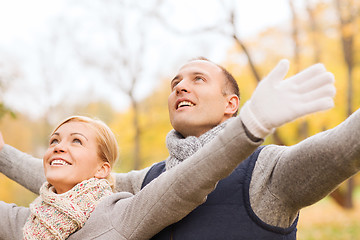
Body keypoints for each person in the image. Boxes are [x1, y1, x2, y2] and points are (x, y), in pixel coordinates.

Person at [1, 58, 359, 239]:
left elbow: (344, 147)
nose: (180, 87)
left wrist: (254, 123)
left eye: (197, 79)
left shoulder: (268, 171)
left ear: (231, 104)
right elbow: (70, 175)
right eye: (175, 84)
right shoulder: (148, 181)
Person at [0, 115, 262, 239]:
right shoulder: (26, 222)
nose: (58, 146)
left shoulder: (118, 215)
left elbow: (184, 182)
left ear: (102, 169)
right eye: (54, 140)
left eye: (76, 141)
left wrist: (251, 127)